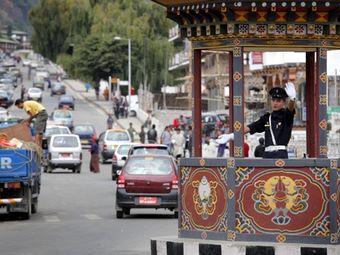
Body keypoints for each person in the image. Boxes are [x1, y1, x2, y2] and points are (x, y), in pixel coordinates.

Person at [244, 82, 296, 158]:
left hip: (280, 155)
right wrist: (232, 135)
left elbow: (290, 109)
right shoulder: (267, 118)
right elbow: (251, 127)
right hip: (267, 155)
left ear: (284, 102)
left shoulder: (285, 116)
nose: (275, 103)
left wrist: (292, 99)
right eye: (273, 100)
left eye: (278, 101)